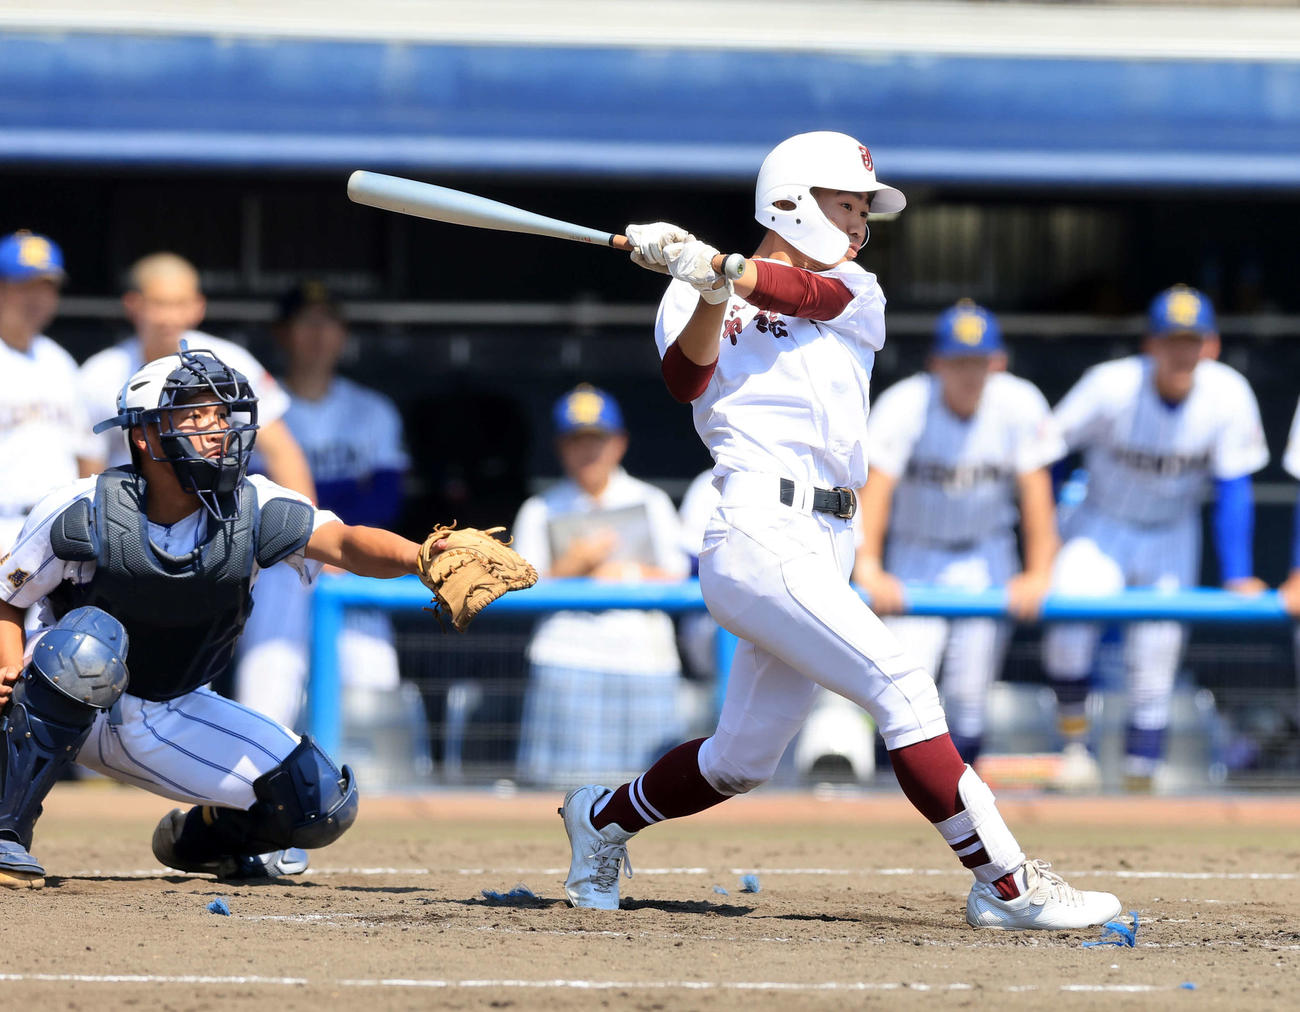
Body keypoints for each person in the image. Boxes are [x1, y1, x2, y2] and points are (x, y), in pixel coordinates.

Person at [557, 130, 1121, 930]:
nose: (858, 223)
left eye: (864, 209)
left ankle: (602, 818)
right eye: (845, 204)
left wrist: (722, 268)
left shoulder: (856, 288)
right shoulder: (692, 294)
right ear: (790, 198)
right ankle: (1005, 884)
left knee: (739, 761)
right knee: (904, 688)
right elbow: (687, 379)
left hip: (828, 536)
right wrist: (706, 286)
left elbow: (801, 297)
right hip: (757, 527)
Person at [0, 348, 486, 889]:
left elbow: (344, 544)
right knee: (88, 643)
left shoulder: (257, 506)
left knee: (319, 799)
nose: (215, 430)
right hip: (62, 701)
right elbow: (7, 598)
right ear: (145, 435)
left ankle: (203, 842)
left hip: (171, 706)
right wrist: (7, 668)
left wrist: (422, 556)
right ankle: (6, 834)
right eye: (193, 415)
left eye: (219, 416)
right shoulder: (82, 506)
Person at [1042, 284, 1269, 792]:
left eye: (1192, 340)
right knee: (1067, 630)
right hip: (1102, 521)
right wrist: (1046, 541)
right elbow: (1049, 451)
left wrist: (1237, 572)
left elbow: (1235, 486)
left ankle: (1141, 773)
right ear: (1151, 343)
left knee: (1157, 652)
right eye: (1172, 338)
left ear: (1210, 345)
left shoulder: (1228, 393)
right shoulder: (1110, 385)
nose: (1181, 351)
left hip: (1171, 529)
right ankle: (1075, 749)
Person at [853, 300, 1064, 765]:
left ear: (998, 362)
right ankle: (891, 799)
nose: (970, 373)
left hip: (986, 553)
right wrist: (868, 564)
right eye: (958, 361)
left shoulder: (1019, 402)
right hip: (917, 552)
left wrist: (1038, 571)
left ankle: (960, 802)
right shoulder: (906, 403)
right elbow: (877, 488)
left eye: (979, 361)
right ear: (937, 363)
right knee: (905, 685)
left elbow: (1036, 492)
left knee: (970, 693)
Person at [235, 282, 409, 729]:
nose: (318, 334)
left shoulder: (373, 410)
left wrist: (332, 532)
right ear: (282, 332)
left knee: (371, 680)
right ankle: (255, 776)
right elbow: (244, 495)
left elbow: (385, 500)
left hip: (352, 560)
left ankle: (372, 782)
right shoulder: (258, 410)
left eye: (328, 322)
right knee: (268, 681)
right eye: (306, 322)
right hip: (276, 563)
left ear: (343, 333)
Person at [512, 384, 688, 788]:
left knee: (651, 794)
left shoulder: (652, 499)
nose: (588, 452)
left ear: (619, 444)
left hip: (645, 662)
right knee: (558, 791)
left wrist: (624, 574)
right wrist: (574, 565)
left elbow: (680, 576)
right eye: (577, 441)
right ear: (562, 447)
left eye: (598, 440)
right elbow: (521, 589)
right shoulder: (540, 508)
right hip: (568, 660)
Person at [78, 251, 314, 499]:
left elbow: (281, 451)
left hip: (215, 508)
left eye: (179, 304)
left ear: (198, 307)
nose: (169, 317)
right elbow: (89, 467)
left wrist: (306, 527)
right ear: (133, 305)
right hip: (130, 509)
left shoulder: (232, 362)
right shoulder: (99, 373)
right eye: (159, 304)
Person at [0, 231, 97, 551]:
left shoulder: (60, 362)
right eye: (25, 286)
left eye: (47, 288)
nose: (37, 299)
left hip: (58, 531)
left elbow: (87, 453)